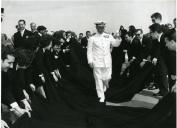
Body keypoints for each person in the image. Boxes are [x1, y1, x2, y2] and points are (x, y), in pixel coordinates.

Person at [87, 21, 122, 102]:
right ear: (96, 27)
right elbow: (89, 51)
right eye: (99, 27)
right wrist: (90, 61)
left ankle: (105, 84)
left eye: (103, 27)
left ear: (104, 27)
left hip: (107, 61)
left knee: (108, 77)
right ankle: (101, 96)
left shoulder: (108, 36)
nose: (101, 29)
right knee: (98, 79)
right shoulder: (92, 38)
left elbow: (115, 44)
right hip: (97, 62)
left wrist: (118, 38)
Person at [1, 45, 31, 120]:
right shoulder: (6, 72)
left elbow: (5, 90)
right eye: (9, 63)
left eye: (12, 63)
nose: (11, 66)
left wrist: (16, 107)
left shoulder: (4, 71)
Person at [149, 23, 169, 96]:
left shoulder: (164, 38)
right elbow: (155, 49)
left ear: (156, 32)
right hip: (158, 61)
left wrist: (156, 57)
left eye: (151, 33)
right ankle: (161, 91)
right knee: (158, 76)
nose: (150, 34)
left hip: (164, 61)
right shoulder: (155, 40)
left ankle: (165, 95)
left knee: (163, 76)